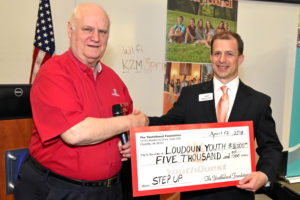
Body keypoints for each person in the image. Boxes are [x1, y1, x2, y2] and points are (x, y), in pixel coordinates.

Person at [13, 3, 148, 200]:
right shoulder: (53, 72)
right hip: (60, 189)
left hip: (111, 190)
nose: (96, 38)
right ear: (70, 29)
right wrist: (132, 122)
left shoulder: (114, 80)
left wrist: (130, 142)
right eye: (88, 29)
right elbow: (75, 133)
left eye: (103, 32)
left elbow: (122, 128)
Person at [148, 32, 283, 200]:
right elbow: (166, 124)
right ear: (211, 57)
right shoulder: (190, 95)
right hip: (196, 196)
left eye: (229, 54)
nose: (222, 60)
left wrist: (263, 174)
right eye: (217, 53)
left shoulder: (258, 102)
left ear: (240, 58)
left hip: (238, 195)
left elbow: (271, 147)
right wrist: (143, 121)